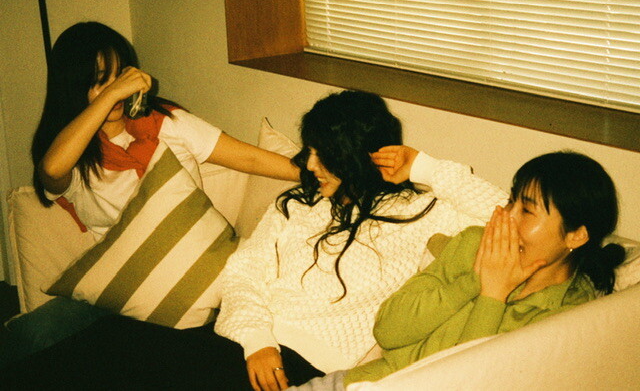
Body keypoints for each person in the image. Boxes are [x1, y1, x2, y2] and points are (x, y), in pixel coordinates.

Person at [0, 90, 506, 389]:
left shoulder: (418, 212)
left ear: (356, 155)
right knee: (105, 345)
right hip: (243, 341)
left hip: (302, 365)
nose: (307, 164)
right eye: (308, 150)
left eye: (321, 154)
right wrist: (257, 341)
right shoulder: (298, 205)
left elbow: (508, 217)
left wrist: (424, 166)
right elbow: (242, 273)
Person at [0, 21, 299, 367]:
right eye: (99, 80)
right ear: (72, 86)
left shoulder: (166, 122)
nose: (115, 90)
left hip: (199, 281)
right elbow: (52, 170)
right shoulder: (73, 152)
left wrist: (323, 169)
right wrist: (111, 96)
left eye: (119, 76)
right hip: (115, 293)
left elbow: (250, 158)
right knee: (30, 336)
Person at [293, 149, 626, 390]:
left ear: (576, 235)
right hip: (358, 384)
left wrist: (492, 296)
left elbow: (465, 382)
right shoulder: (473, 244)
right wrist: (473, 280)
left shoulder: (567, 317)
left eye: (527, 211)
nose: (506, 217)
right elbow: (388, 331)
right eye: (512, 201)